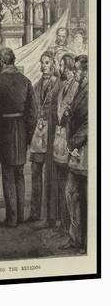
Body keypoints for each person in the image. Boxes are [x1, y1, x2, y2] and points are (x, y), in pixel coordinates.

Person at [0, 47, 37, 227]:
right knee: (20, 173)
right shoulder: (26, 80)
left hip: (5, 131)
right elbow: (32, 113)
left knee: (8, 174)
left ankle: (12, 218)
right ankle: (20, 216)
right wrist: (30, 136)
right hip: (22, 130)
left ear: (0, 62)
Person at [50, 54, 79, 236]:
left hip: (69, 136)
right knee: (61, 180)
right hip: (60, 135)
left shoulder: (75, 86)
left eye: (63, 65)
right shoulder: (63, 86)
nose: (61, 69)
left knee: (69, 184)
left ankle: (69, 226)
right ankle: (62, 223)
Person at [62, 55, 88, 252]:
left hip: (84, 151)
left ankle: (84, 241)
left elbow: (89, 124)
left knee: (81, 196)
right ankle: (75, 238)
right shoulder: (79, 88)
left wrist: (73, 144)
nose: (75, 72)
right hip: (77, 150)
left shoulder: (90, 90)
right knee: (71, 193)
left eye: (79, 69)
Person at [28, 51, 58, 225]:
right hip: (38, 134)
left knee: (50, 175)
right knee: (35, 172)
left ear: (53, 64)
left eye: (47, 63)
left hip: (52, 133)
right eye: (42, 63)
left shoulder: (58, 84)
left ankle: (50, 216)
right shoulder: (37, 84)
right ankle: (35, 213)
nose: (43, 66)